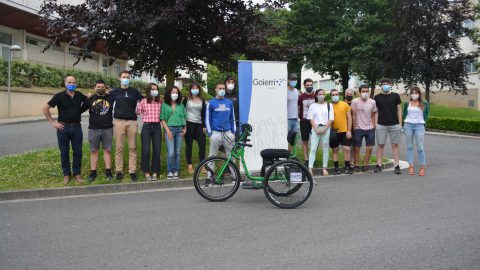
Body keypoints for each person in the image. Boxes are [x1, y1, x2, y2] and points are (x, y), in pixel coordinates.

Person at [42, 75, 87, 184]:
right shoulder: (59, 96)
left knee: (78, 152)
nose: (72, 84)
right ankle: (66, 175)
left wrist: (89, 96)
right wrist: (52, 122)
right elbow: (45, 108)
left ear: (76, 84)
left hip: (76, 127)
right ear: (65, 83)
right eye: (69, 82)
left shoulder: (79, 95)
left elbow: (88, 101)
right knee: (64, 152)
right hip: (63, 128)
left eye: (74, 82)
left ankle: (77, 173)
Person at [110, 70, 143, 181]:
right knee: (119, 148)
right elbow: (106, 103)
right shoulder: (114, 92)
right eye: (124, 77)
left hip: (132, 122)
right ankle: (118, 171)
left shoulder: (134, 91)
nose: (126, 79)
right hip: (119, 122)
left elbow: (144, 101)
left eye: (128, 77)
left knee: (132, 147)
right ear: (120, 78)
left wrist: (157, 101)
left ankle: (132, 171)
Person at [84, 80, 114, 182]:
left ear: (105, 88)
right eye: (98, 86)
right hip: (93, 129)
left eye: (102, 86)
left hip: (108, 129)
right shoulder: (90, 99)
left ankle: (108, 172)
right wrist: (85, 98)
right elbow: (79, 109)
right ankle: (93, 172)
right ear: (94, 88)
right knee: (94, 151)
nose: (100, 88)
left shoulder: (111, 98)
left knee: (107, 150)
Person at [374, 78, 402, 174]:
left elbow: (399, 109)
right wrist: (376, 124)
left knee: (395, 145)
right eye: (383, 84)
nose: (385, 85)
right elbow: (376, 111)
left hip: (394, 124)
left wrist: (400, 123)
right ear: (381, 85)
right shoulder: (377, 97)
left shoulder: (395, 96)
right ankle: (379, 165)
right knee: (380, 145)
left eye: (387, 83)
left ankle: (397, 165)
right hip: (381, 125)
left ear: (391, 85)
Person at [137, 83, 162, 181]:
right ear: (149, 91)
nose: (154, 91)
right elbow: (137, 112)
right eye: (152, 89)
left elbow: (163, 115)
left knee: (157, 150)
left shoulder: (160, 102)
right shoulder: (143, 101)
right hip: (146, 127)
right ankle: (146, 172)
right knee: (146, 150)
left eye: (156, 89)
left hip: (157, 127)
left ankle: (155, 172)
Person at [160, 86, 187, 180]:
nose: (175, 94)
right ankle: (169, 171)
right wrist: (167, 131)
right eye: (173, 92)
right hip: (169, 130)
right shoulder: (164, 105)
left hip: (180, 129)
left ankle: (176, 170)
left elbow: (184, 117)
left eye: (176, 92)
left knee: (178, 152)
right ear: (169, 93)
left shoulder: (181, 105)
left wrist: (185, 129)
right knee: (171, 152)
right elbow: (162, 119)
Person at [403, 86, 429, 176]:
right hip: (408, 125)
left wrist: (423, 123)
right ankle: (410, 166)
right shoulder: (407, 103)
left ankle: (422, 167)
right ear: (410, 94)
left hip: (419, 126)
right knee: (409, 147)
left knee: (420, 147)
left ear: (419, 94)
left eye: (416, 93)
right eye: (412, 93)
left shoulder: (424, 103)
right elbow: (404, 114)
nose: (414, 95)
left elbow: (427, 114)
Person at [307, 89, 334, 176]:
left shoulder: (329, 105)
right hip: (316, 129)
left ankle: (324, 168)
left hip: (326, 128)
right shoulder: (312, 106)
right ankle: (310, 168)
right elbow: (311, 118)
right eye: (320, 94)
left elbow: (331, 119)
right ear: (316, 95)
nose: (321, 95)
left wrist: (325, 129)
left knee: (325, 149)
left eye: (323, 94)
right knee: (313, 149)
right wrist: (316, 129)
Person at [206, 83, 236, 158]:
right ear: (216, 90)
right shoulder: (210, 103)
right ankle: (210, 170)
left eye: (223, 88)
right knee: (212, 155)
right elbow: (207, 119)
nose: (222, 90)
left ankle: (233, 170)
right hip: (216, 133)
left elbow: (232, 117)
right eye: (220, 88)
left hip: (228, 132)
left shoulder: (229, 102)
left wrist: (233, 131)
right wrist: (210, 133)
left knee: (231, 156)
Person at [351, 85, 377, 172]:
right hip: (358, 128)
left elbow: (373, 114)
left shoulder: (372, 102)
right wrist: (354, 127)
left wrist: (374, 125)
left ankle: (365, 165)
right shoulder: (355, 101)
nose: (365, 93)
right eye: (363, 91)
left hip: (370, 128)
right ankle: (356, 165)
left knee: (369, 148)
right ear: (359, 92)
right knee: (357, 148)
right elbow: (353, 115)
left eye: (367, 91)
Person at [182, 82, 207, 174]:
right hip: (189, 124)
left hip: (199, 125)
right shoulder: (186, 99)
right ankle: (189, 165)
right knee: (189, 145)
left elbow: (204, 113)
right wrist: (183, 126)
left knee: (202, 144)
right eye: (193, 88)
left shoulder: (202, 100)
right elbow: (182, 112)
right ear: (190, 89)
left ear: (199, 90)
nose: (195, 89)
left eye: (196, 88)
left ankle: (202, 165)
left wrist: (204, 125)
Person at [329, 89, 353, 174]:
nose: (335, 96)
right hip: (334, 132)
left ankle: (347, 167)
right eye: (333, 95)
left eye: (336, 94)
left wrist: (349, 131)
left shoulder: (345, 104)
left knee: (346, 149)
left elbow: (349, 118)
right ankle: (336, 168)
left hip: (344, 131)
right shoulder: (329, 106)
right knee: (335, 150)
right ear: (331, 96)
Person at [298, 78, 316, 166]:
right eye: (307, 85)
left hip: (314, 122)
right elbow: (298, 108)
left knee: (315, 140)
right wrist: (300, 118)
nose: (309, 86)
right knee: (305, 141)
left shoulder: (316, 96)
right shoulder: (301, 97)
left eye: (311, 85)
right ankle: (306, 159)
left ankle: (313, 158)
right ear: (304, 86)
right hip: (304, 121)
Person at [287, 73, 300, 152]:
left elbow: (298, 104)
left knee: (293, 139)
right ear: (288, 80)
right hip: (287, 118)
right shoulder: (284, 91)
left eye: (295, 80)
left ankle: (290, 156)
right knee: (286, 138)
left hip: (295, 118)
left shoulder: (296, 91)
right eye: (292, 80)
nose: (294, 81)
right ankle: (285, 156)